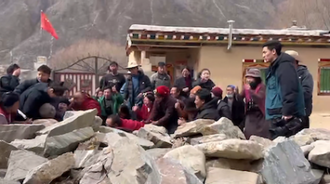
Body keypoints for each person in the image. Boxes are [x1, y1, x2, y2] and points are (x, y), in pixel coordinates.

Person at [262, 41, 305, 139]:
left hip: (282, 117)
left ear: (273, 51)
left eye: (265, 52)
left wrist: (287, 112)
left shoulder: (284, 67)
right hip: (275, 114)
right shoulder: (274, 67)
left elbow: (289, 89)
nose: (263, 55)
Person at [285, 50, 313, 129]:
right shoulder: (284, 75)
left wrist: (290, 97)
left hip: (300, 115)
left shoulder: (305, 75)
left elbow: (307, 92)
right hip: (285, 114)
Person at [240, 69, 270, 139]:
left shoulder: (262, 87)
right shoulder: (246, 88)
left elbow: (259, 98)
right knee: (249, 133)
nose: (249, 80)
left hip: (260, 114)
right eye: (248, 77)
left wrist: (250, 91)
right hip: (250, 114)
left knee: (261, 135)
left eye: (251, 78)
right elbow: (240, 97)